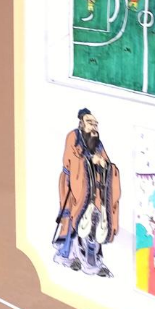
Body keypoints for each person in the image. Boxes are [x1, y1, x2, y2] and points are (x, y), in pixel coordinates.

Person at [53, 108, 121, 278]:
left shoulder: (97, 143)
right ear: (81, 123)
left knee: (94, 224)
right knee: (72, 220)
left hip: (94, 191)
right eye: (90, 123)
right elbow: (72, 160)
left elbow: (107, 162)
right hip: (72, 185)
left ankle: (93, 263)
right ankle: (67, 257)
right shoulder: (73, 137)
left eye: (95, 124)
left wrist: (105, 165)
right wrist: (90, 160)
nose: (93, 127)